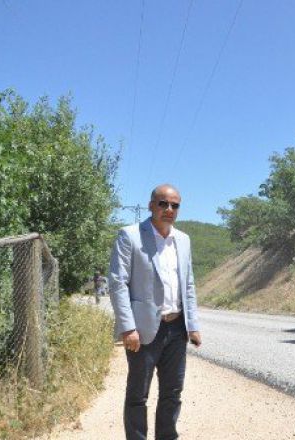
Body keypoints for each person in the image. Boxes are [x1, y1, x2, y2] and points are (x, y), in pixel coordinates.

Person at [109, 184, 201, 439]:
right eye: (163, 203)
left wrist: (193, 325)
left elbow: (188, 284)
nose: (169, 209)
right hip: (143, 329)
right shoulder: (130, 236)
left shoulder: (183, 240)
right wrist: (128, 327)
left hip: (177, 327)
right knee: (138, 395)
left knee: (172, 393)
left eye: (174, 205)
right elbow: (117, 283)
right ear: (151, 206)